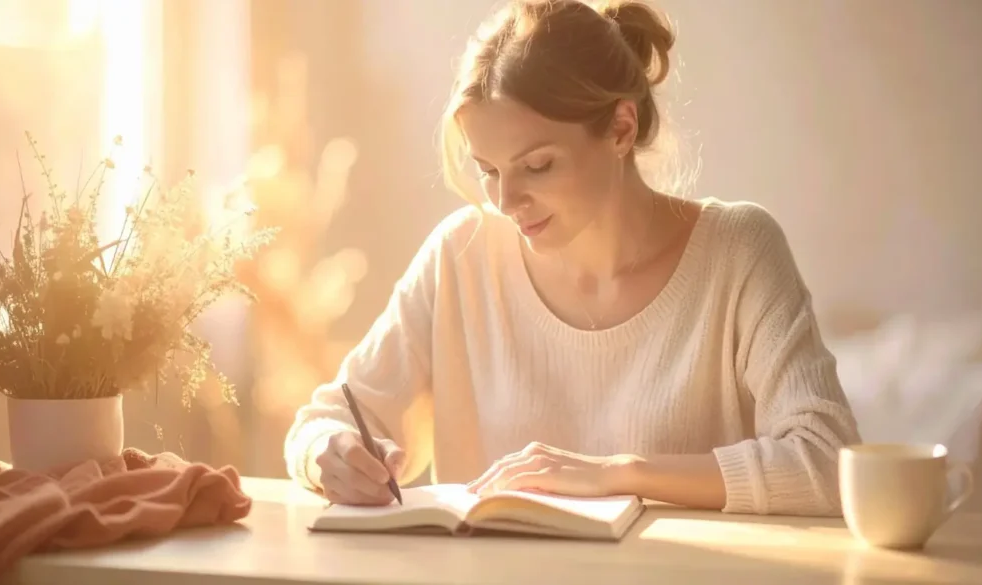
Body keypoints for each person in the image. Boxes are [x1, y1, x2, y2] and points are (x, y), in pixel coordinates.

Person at [283, 0, 861, 517]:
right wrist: (325, 455)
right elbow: (322, 421)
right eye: (488, 170)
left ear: (620, 128)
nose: (506, 201)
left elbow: (827, 460)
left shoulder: (738, 251)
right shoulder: (460, 258)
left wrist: (616, 473)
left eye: (537, 166)